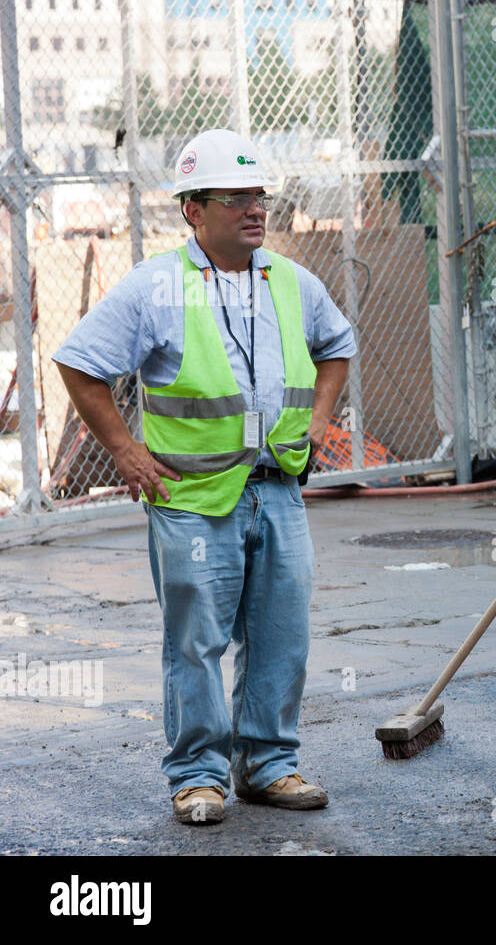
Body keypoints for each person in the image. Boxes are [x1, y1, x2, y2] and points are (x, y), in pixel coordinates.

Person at [54, 129, 356, 823]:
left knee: (282, 632)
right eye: (238, 198)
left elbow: (337, 345)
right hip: (191, 496)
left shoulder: (288, 280)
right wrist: (125, 450)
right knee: (196, 640)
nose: (257, 209)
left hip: (275, 486)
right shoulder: (157, 286)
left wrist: (318, 420)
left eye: (260, 197)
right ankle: (197, 775)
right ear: (194, 210)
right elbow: (79, 362)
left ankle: (270, 765)